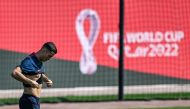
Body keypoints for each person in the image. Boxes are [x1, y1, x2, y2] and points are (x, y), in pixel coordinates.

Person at [11, 42, 57, 109]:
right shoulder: (29, 61)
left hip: (34, 100)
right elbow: (14, 73)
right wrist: (30, 82)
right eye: (49, 56)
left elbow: (38, 74)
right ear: (44, 50)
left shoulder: (39, 61)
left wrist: (47, 80)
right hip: (29, 100)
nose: (49, 58)